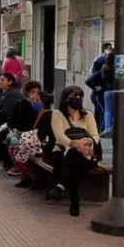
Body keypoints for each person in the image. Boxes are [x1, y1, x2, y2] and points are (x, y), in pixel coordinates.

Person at [48, 86, 101, 217]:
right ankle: (74, 201)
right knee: (72, 157)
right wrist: (76, 145)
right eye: (74, 96)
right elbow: (60, 136)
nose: (78, 98)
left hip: (86, 152)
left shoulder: (87, 115)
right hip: (63, 151)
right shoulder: (58, 114)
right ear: (66, 99)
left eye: (80, 96)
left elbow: (95, 135)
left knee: (73, 160)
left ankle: (62, 187)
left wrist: (86, 142)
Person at [87, 43, 113, 129]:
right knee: (103, 113)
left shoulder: (103, 67)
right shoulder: (100, 62)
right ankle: (101, 131)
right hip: (99, 94)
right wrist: (96, 87)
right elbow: (89, 79)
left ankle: (99, 131)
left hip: (100, 94)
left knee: (102, 114)